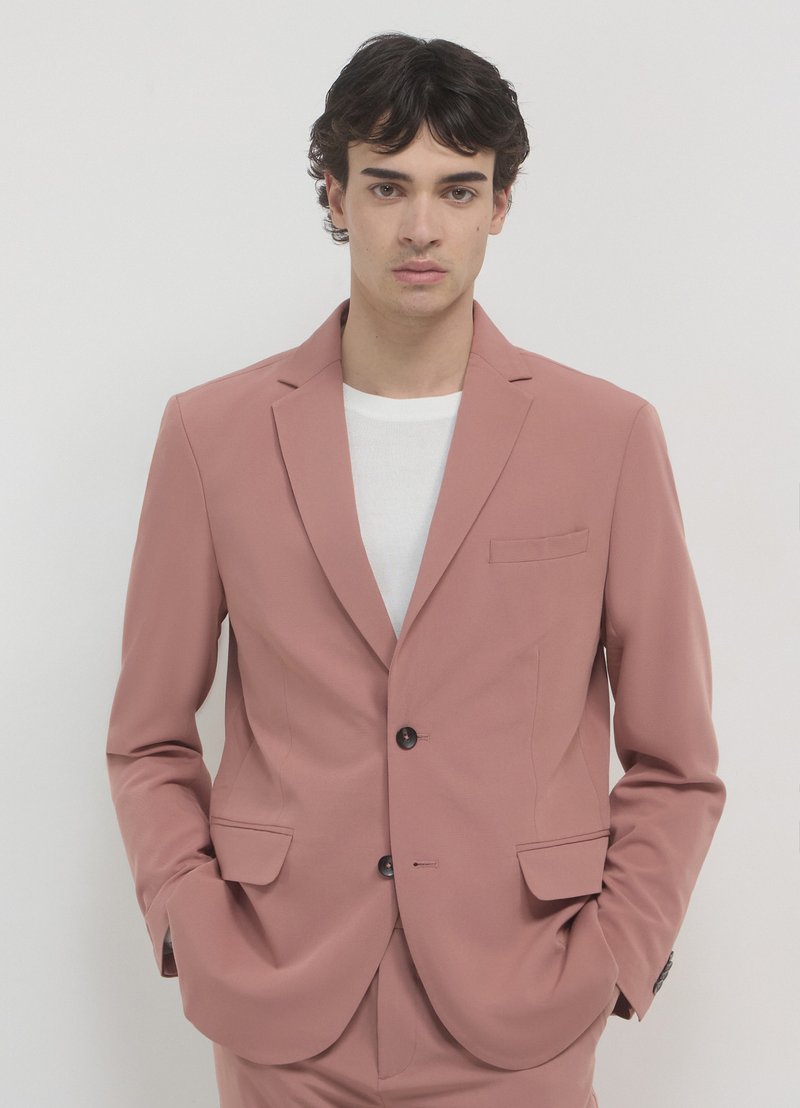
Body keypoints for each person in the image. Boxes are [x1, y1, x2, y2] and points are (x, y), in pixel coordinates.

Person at [106, 31, 726, 1107]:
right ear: (335, 196)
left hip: (521, 1004)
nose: (421, 226)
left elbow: (675, 758)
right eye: (387, 186)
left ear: (500, 205)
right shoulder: (211, 435)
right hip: (281, 1001)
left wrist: (615, 955)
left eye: (458, 188)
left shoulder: (605, 436)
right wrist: (190, 926)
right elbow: (149, 735)